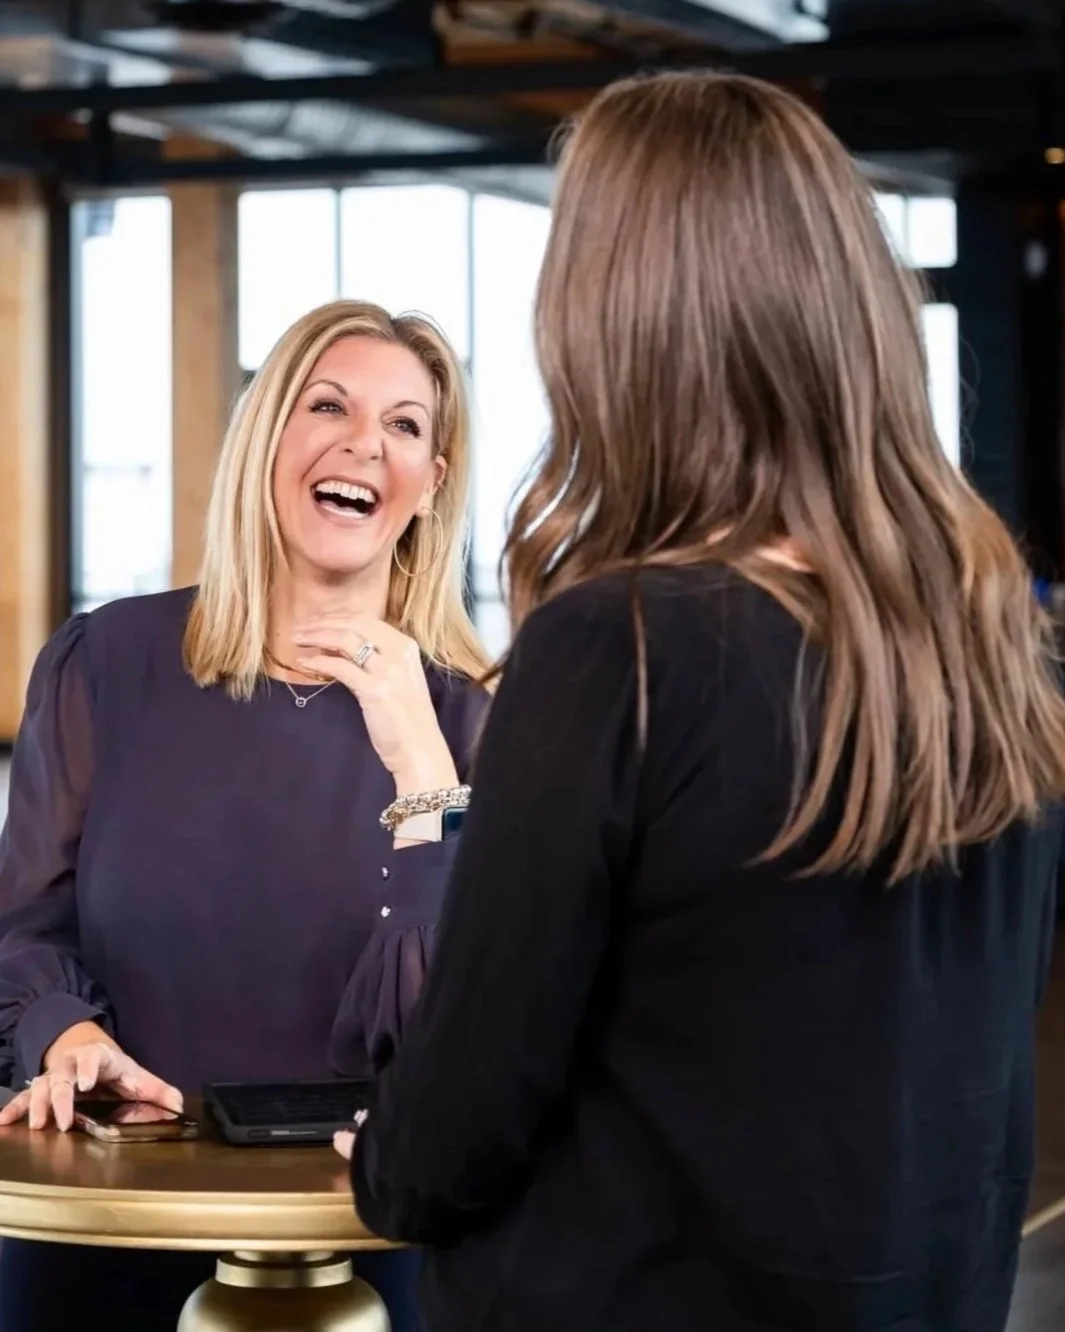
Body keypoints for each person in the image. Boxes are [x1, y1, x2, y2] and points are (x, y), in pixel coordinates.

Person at [338, 73, 1065, 1332]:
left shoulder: (619, 648)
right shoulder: (995, 648)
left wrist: (382, 1155)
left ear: (623, 323)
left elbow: (444, 1143)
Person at [0, 299, 489, 1332]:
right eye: (329, 405)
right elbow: (23, 930)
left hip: (371, 1242)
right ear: (268, 436)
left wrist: (422, 768)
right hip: (108, 1217)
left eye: (406, 426)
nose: (366, 442)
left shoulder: (473, 718)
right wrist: (64, 1035)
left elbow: (465, 1024)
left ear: (431, 483)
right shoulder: (106, 664)